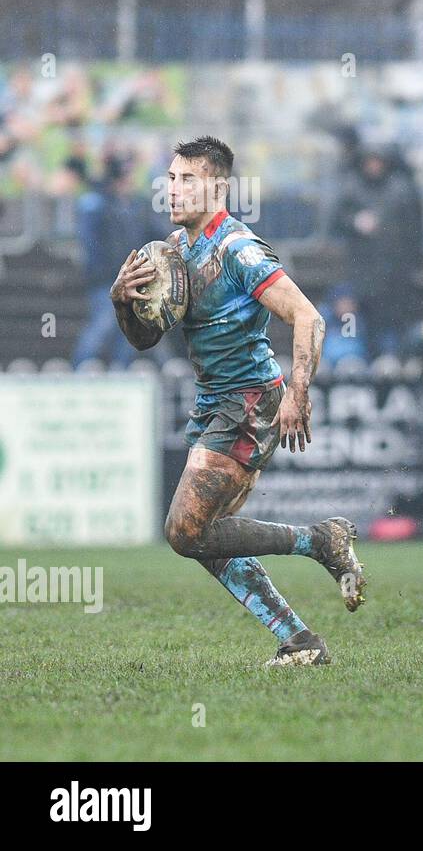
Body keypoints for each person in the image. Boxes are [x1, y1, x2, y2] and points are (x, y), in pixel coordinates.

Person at [111, 135, 367, 667]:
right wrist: (122, 302)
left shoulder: (237, 250)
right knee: (205, 538)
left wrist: (299, 392)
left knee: (184, 530)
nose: (174, 190)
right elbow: (143, 340)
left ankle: (321, 540)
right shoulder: (173, 253)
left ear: (218, 186)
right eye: (171, 179)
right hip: (216, 402)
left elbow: (308, 317)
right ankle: (300, 641)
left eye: (188, 180)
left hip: (249, 400)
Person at [332, 147, 423, 355]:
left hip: (397, 272)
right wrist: (355, 221)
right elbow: (335, 220)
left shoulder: (402, 189)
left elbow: (416, 228)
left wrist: (412, 261)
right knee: (367, 329)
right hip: (363, 273)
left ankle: (400, 367)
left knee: (399, 327)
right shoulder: (353, 188)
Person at [73, 154, 154, 367]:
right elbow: (92, 245)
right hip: (106, 279)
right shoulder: (98, 203)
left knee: (127, 328)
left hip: (130, 278)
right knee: (104, 325)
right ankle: (79, 369)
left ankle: (120, 372)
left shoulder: (134, 204)